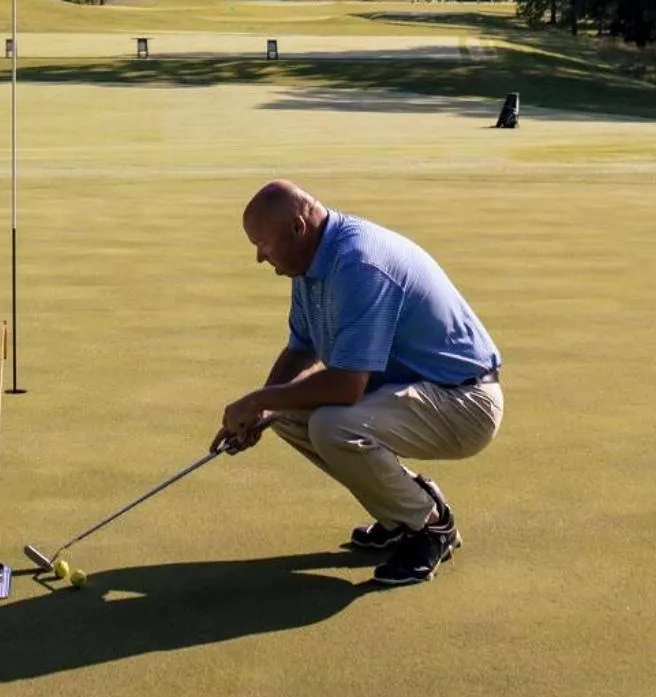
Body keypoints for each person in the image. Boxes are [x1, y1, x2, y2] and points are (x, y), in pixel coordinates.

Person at [214, 181, 502, 587]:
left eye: (263, 243)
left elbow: (347, 386)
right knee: (286, 414)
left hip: (465, 402)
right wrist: (261, 410)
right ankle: (402, 515)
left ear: (298, 227)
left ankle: (429, 527)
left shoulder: (358, 263)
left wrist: (258, 399)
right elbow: (302, 349)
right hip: (416, 393)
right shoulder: (310, 263)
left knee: (333, 427)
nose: (260, 257)